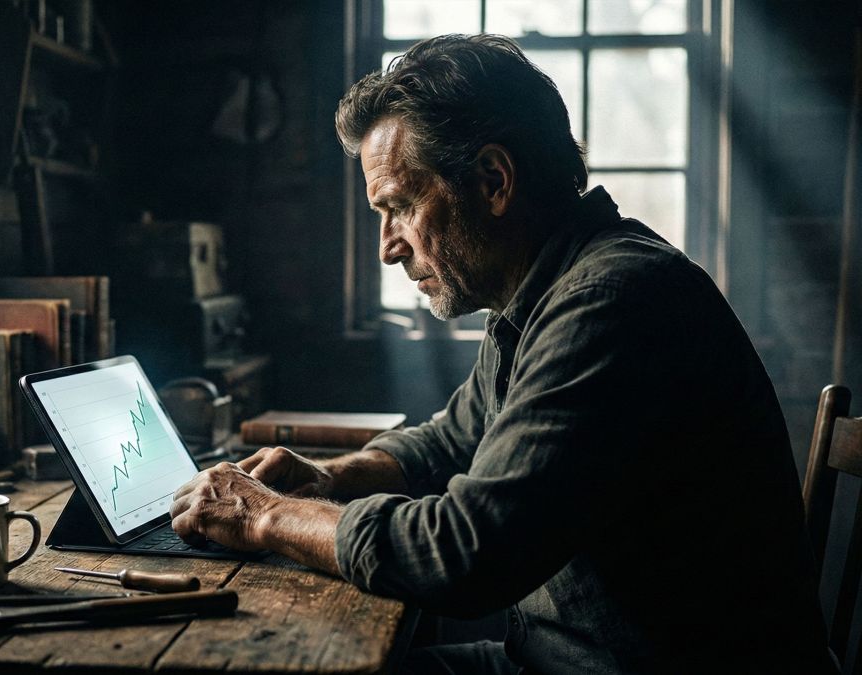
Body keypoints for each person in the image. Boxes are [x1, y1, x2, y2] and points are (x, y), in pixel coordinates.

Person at [169, 34, 835, 674]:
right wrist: (328, 478)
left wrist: (266, 514)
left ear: (493, 180)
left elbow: (465, 551)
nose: (387, 246)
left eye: (399, 206)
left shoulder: (611, 303)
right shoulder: (540, 292)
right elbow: (449, 443)